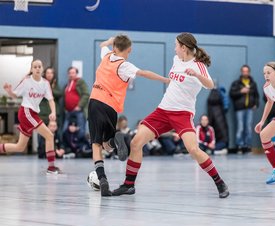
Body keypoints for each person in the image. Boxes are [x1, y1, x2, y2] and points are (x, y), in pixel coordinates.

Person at [112, 32, 229, 198]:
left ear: (184, 47)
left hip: (183, 113)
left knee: (193, 150)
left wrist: (196, 75)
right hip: (163, 110)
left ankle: (220, 183)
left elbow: (210, 85)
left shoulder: (198, 65)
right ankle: (129, 185)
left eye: (176, 45)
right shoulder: (176, 60)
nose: (174, 49)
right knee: (136, 142)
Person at [89, 35, 169, 196]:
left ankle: (102, 178)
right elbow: (144, 73)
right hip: (111, 107)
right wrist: (165, 80)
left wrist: (111, 40)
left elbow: (102, 45)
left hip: (95, 102)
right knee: (107, 145)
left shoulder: (106, 55)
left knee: (97, 145)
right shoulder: (124, 65)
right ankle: (114, 141)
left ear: (114, 47)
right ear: (129, 50)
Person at [1, 59, 61, 174]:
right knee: (49, 135)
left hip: (32, 113)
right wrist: (9, 91)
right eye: (35, 67)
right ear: (32, 69)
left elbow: (51, 100)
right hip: (26, 112)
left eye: (39, 66)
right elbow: (14, 95)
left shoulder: (45, 83)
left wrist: (53, 112)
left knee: (20, 147)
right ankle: (51, 167)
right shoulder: (27, 81)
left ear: (42, 69)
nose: (38, 68)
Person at [230, 64, 259, 153]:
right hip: (239, 109)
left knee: (248, 128)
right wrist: (241, 91)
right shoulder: (236, 83)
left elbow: (256, 95)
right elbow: (232, 94)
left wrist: (256, 104)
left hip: (249, 108)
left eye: (247, 71)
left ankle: (247, 146)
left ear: (249, 72)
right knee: (240, 127)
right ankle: (239, 145)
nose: (245, 73)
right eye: (244, 71)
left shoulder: (253, 83)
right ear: (241, 72)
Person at [38, 67, 62, 158]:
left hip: (54, 114)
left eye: (51, 73)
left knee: (55, 133)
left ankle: (54, 151)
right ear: (45, 74)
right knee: (42, 134)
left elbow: (60, 94)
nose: (49, 74)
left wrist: (50, 90)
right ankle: (41, 151)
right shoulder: (41, 83)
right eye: (47, 73)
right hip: (43, 113)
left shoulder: (55, 84)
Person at [63, 66, 89, 139]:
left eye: (73, 73)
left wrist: (79, 106)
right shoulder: (67, 84)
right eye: (70, 73)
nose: (71, 74)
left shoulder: (80, 82)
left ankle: (80, 148)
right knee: (66, 129)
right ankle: (70, 147)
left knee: (80, 130)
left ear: (76, 74)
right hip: (68, 111)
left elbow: (86, 94)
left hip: (79, 111)